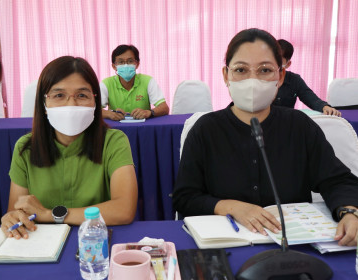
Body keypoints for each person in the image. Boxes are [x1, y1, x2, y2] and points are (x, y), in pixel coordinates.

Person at [173, 28, 358, 246]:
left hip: (292, 246)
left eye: (264, 70)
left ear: (280, 76)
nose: (253, 80)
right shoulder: (205, 129)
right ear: (226, 75)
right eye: (241, 70)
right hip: (228, 244)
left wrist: (349, 212)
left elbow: (337, 181)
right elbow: (184, 198)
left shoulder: (299, 126)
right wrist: (229, 206)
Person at [1, 56, 138, 239]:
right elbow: (18, 212)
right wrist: (12, 218)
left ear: (95, 101)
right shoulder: (26, 147)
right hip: (41, 243)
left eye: (82, 95)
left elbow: (123, 210)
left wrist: (49, 214)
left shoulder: (114, 141)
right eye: (59, 95)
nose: (71, 104)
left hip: (97, 243)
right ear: (44, 103)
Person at [273, 39, 341, 116]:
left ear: (288, 64)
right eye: (273, 58)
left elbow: (311, 99)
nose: (274, 62)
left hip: (287, 122)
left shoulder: (294, 80)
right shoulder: (261, 78)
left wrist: (324, 107)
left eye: (279, 59)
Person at [101, 44, 169, 120]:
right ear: (114, 66)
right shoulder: (106, 84)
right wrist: (109, 114)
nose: (126, 65)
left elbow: (164, 108)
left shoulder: (148, 81)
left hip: (143, 128)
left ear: (137, 64)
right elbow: (94, 110)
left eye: (130, 61)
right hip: (116, 129)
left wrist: (149, 112)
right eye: (121, 62)